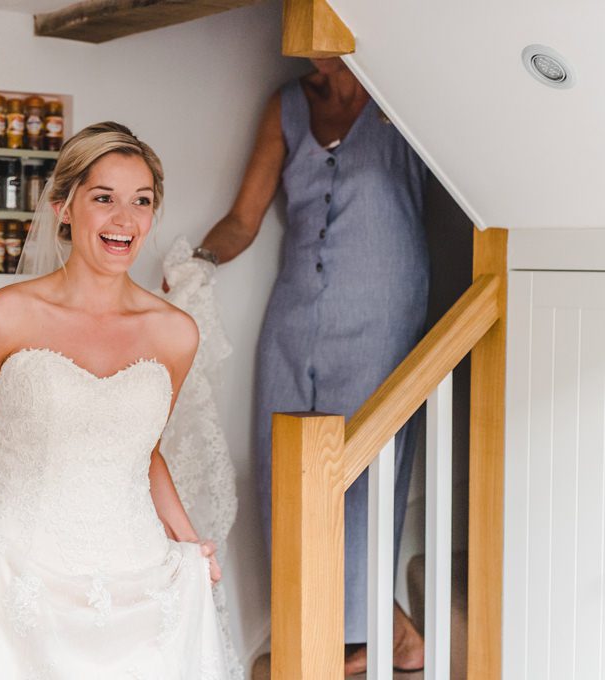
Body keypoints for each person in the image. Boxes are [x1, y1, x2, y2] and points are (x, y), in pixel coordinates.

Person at [0, 122, 233, 678]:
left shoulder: (175, 332)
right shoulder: (5, 315)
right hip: (18, 571)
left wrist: (190, 542)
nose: (124, 220)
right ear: (63, 207)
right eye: (103, 198)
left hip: (137, 579)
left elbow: (144, 451)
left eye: (141, 201)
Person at [190, 57, 429, 673]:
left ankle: (361, 639)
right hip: (294, 315)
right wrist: (195, 264)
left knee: (364, 482)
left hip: (382, 312)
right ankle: (357, 632)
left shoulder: (403, 96)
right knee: (282, 473)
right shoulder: (286, 106)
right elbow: (244, 220)